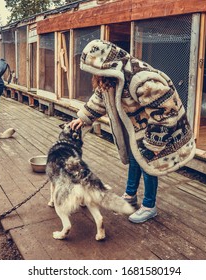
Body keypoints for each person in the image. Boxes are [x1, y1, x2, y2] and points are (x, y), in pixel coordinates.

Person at [69, 39, 196, 223]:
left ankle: (149, 205)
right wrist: (83, 118)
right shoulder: (110, 77)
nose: (93, 76)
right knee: (135, 158)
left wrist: (154, 143)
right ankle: (130, 195)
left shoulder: (141, 79)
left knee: (149, 165)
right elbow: (100, 98)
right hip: (136, 129)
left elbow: (167, 111)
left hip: (156, 130)